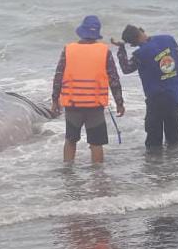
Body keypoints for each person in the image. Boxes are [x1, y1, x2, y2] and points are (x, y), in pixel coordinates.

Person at [52, 15, 125, 163]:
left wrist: (54, 100)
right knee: (96, 143)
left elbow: (58, 77)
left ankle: (68, 174)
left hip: (73, 105)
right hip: (94, 106)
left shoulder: (68, 50)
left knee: (71, 140)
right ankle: (98, 178)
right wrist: (119, 103)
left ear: (81, 31)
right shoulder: (104, 51)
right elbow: (114, 80)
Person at [111, 25, 178, 149]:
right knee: (174, 139)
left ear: (133, 44)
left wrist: (121, 49)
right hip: (174, 95)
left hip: (156, 98)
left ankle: (154, 166)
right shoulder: (168, 39)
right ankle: (175, 165)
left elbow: (126, 68)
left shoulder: (140, 54)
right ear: (141, 30)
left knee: (154, 141)